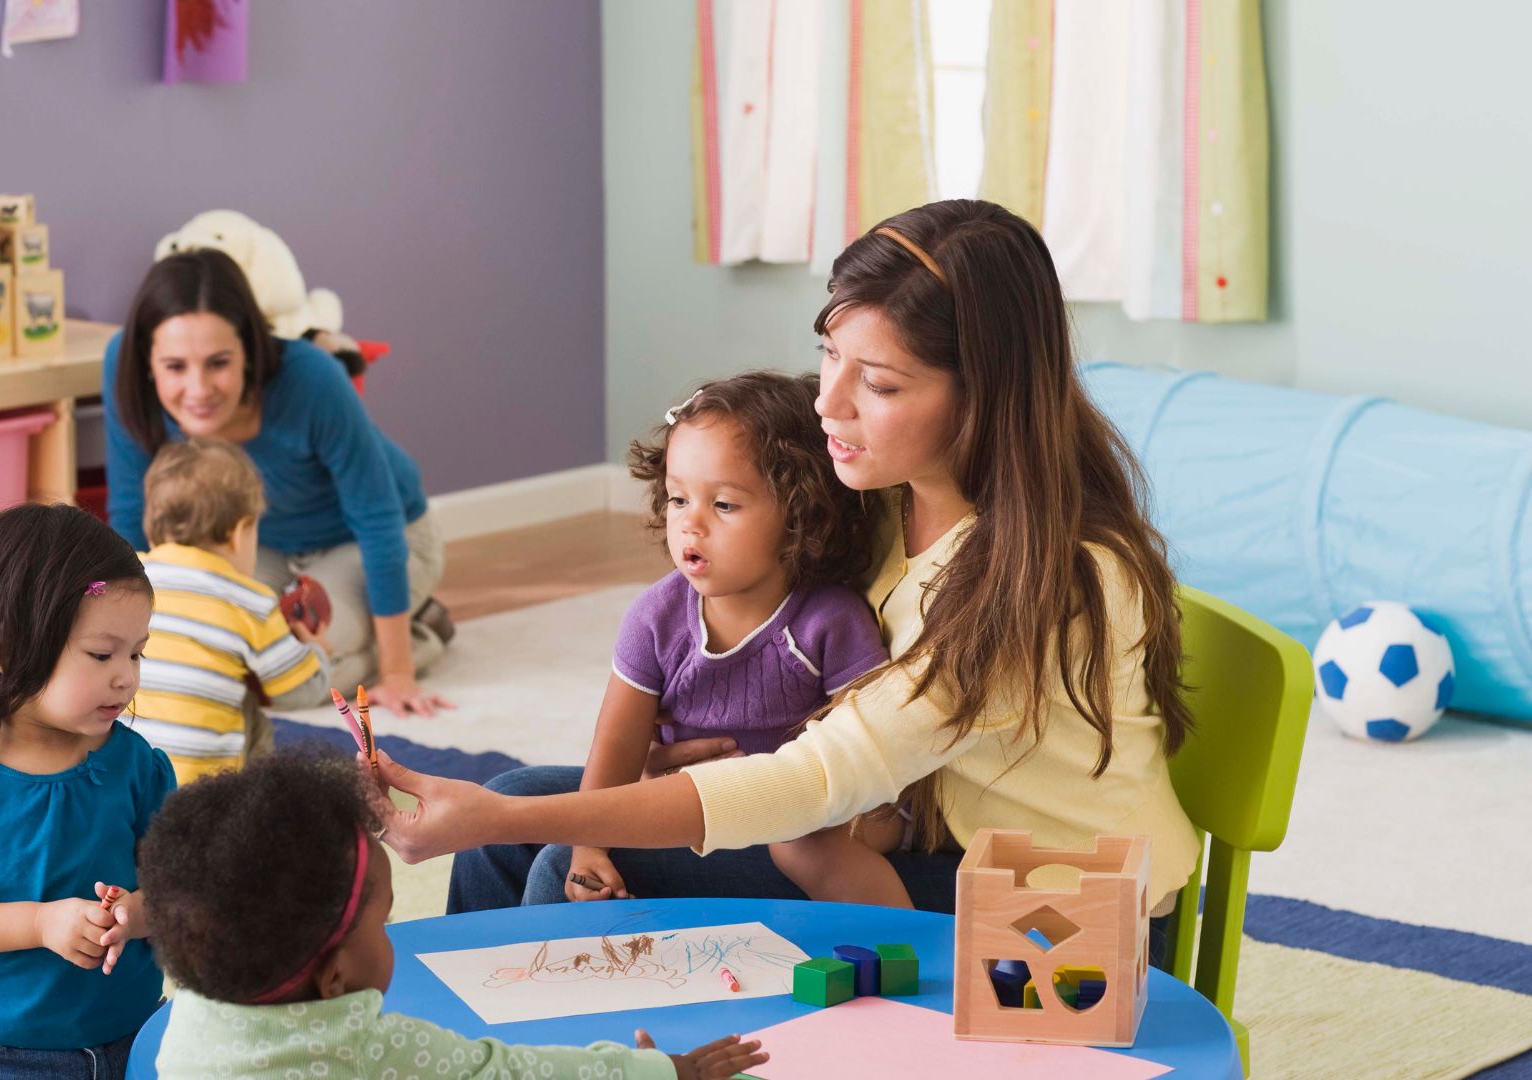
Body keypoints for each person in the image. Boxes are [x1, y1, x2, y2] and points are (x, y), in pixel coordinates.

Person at [384, 201, 1200, 959]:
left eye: (878, 384)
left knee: (557, 847)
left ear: (984, 398)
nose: (829, 402)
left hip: (1046, 920)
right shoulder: (884, 504)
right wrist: (559, 798)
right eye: (829, 356)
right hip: (911, 836)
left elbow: (813, 780)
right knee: (511, 816)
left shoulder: (1047, 581)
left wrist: (532, 816)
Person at [142, 746, 768, 1080]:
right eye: (380, 923)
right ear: (333, 977)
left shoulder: (189, 1022)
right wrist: (656, 1073)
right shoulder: (371, 1053)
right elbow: (515, 1073)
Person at [557, 370, 910, 909]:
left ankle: (903, 950)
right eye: (678, 499)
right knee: (517, 802)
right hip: (695, 801)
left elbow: (876, 752)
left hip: (804, 817)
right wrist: (588, 846)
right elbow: (618, 747)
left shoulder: (829, 622)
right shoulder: (655, 619)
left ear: (800, 516)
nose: (690, 525)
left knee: (548, 870)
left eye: (723, 505)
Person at [105, 248, 452, 717]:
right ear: (148, 361)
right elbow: (129, 514)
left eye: (218, 362)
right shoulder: (121, 368)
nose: (198, 389)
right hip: (254, 546)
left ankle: (419, 637)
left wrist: (396, 675)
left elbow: (378, 521)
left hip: (374, 541)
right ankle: (386, 628)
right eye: (175, 368)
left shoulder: (312, 377)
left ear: (249, 348)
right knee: (210, 656)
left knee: (280, 673)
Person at [0, 503, 177, 1077]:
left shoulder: (137, 767)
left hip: (141, 1036)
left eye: (136, 651)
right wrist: (40, 923)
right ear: (7, 649)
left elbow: (186, 880)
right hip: (5, 1054)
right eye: (101, 654)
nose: (127, 675)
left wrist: (140, 913)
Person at [131, 437, 332, 784]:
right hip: (205, 795)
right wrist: (318, 652)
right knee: (251, 711)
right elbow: (299, 692)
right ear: (240, 533)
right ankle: (257, 803)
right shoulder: (250, 600)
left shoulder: (127, 578)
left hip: (125, 783)